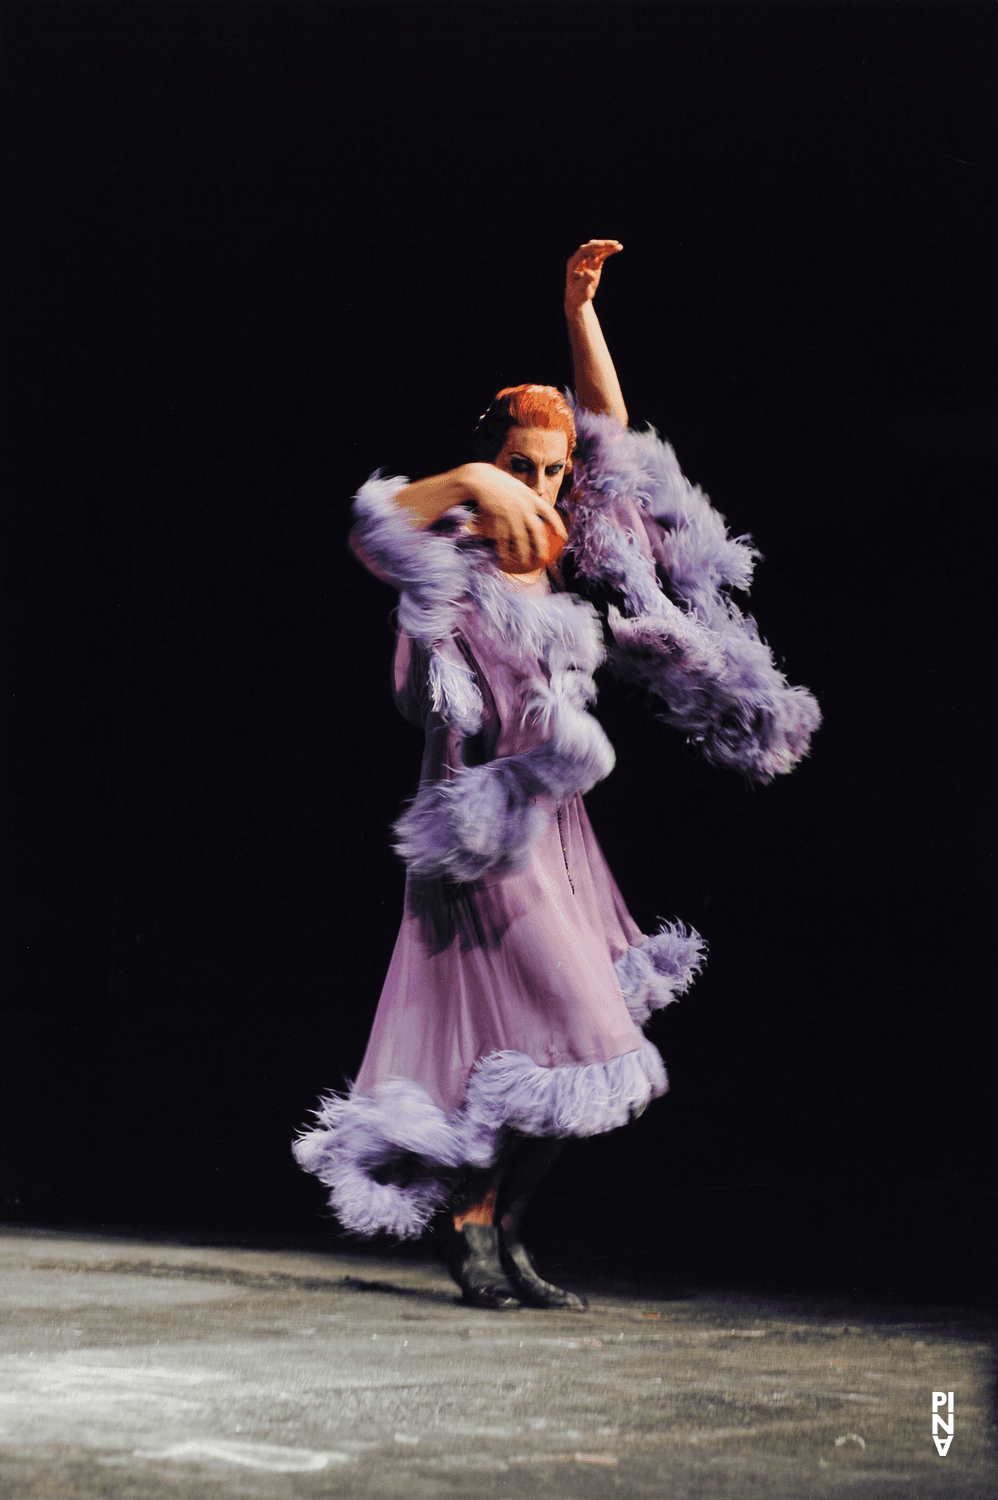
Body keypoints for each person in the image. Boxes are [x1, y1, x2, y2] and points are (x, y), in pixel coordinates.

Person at [294, 241, 820, 1310]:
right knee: (581, 1032)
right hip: (479, 833)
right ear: (489, 468)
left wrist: (580, 314)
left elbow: (610, 435)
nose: (540, 486)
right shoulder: (451, 547)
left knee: (576, 1052)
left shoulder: (566, 544)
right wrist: (471, 482)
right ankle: (470, 1224)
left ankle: (501, 1229)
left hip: (562, 838)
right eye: (520, 467)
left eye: (549, 470)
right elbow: (369, 529)